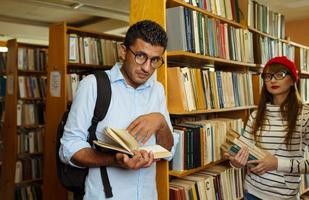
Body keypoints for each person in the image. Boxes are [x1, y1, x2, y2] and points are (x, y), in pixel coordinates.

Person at [59, 20, 175, 200]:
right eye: (141, 56)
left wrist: (160, 122)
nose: (147, 67)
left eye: (154, 60)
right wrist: (115, 160)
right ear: (123, 51)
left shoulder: (157, 90)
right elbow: (69, 149)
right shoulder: (93, 85)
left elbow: (168, 150)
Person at [225, 56, 309, 200]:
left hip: (283, 196)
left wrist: (277, 164)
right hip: (251, 191)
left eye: (280, 74)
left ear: (292, 80)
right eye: (268, 76)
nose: (273, 80)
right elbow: (244, 152)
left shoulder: (305, 115)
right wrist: (235, 161)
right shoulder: (256, 115)